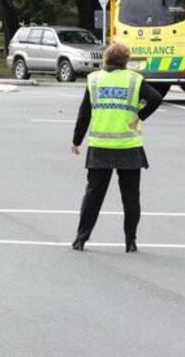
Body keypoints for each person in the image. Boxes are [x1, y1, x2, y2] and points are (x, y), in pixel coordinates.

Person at [71, 41, 163, 253]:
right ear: (126, 60)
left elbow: (84, 113)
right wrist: (140, 116)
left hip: (100, 146)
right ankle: (130, 241)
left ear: (105, 59)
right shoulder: (135, 80)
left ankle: (81, 238)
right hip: (128, 146)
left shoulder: (94, 80)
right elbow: (156, 98)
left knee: (93, 195)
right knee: (131, 196)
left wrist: (77, 140)